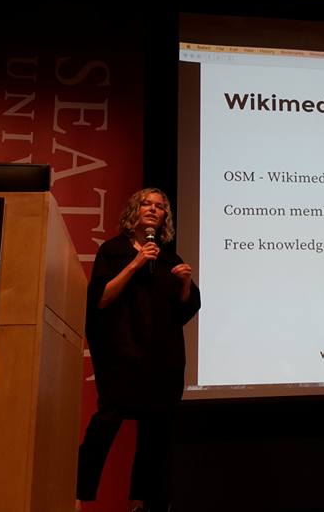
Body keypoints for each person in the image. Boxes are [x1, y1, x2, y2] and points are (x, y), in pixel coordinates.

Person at [75, 188, 201, 512]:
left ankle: (147, 503)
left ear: (164, 217)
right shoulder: (113, 250)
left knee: (156, 435)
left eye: (160, 206)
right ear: (134, 210)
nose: (153, 209)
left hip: (163, 359)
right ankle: (76, 491)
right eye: (147, 204)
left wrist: (185, 283)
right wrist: (136, 263)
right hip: (123, 356)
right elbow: (101, 298)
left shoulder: (169, 259)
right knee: (105, 424)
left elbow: (183, 310)